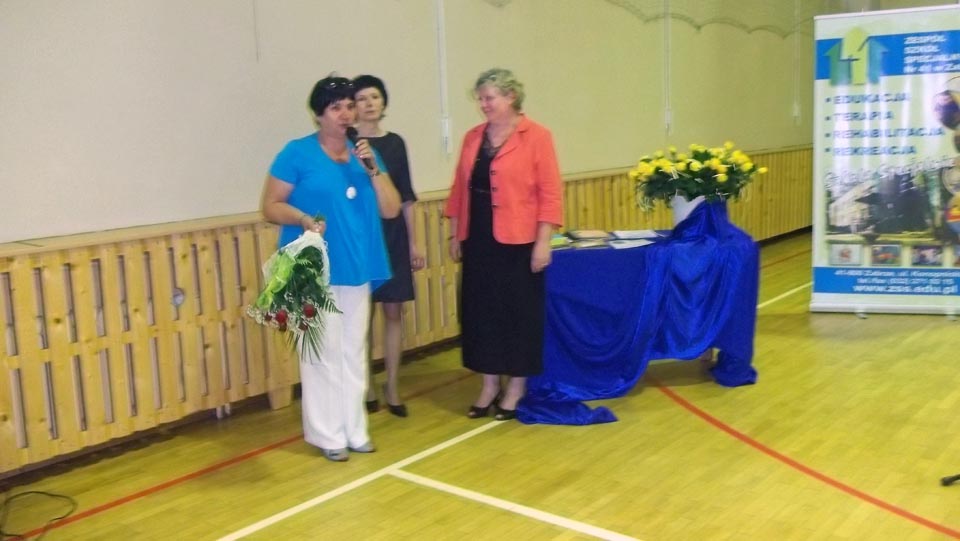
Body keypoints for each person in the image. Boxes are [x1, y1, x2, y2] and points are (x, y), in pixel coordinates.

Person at [261, 75, 401, 461]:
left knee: (354, 349)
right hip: (312, 266)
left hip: (358, 264)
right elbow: (270, 205)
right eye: (336, 107)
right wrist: (302, 218)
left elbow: (391, 209)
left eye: (350, 106)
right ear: (318, 115)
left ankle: (355, 429)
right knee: (321, 351)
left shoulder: (366, 154)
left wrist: (373, 170)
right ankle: (328, 435)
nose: (346, 114)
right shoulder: (297, 153)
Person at [444, 68, 563, 421]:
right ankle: (489, 384)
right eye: (480, 98)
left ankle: (516, 387)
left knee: (518, 315)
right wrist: (456, 232)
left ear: (511, 97)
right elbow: (459, 189)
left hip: (520, 241)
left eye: (489, 98)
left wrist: (543, 243)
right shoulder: (472, 137)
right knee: (481, 314)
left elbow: (550, 193)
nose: (483, 104)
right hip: (478, 237)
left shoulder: (537, 136)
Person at [351, 75, 425, 418]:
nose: (369, 103)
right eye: (362, 98)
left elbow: (406, 196)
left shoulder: (395, 143)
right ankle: (365, 384)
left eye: (375, 97)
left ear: (384, 103)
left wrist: (415, 243)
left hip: (393, 235)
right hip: (360, 237)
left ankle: (392, 385)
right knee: (361, 316)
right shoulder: (347, 143)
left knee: (394, 313)